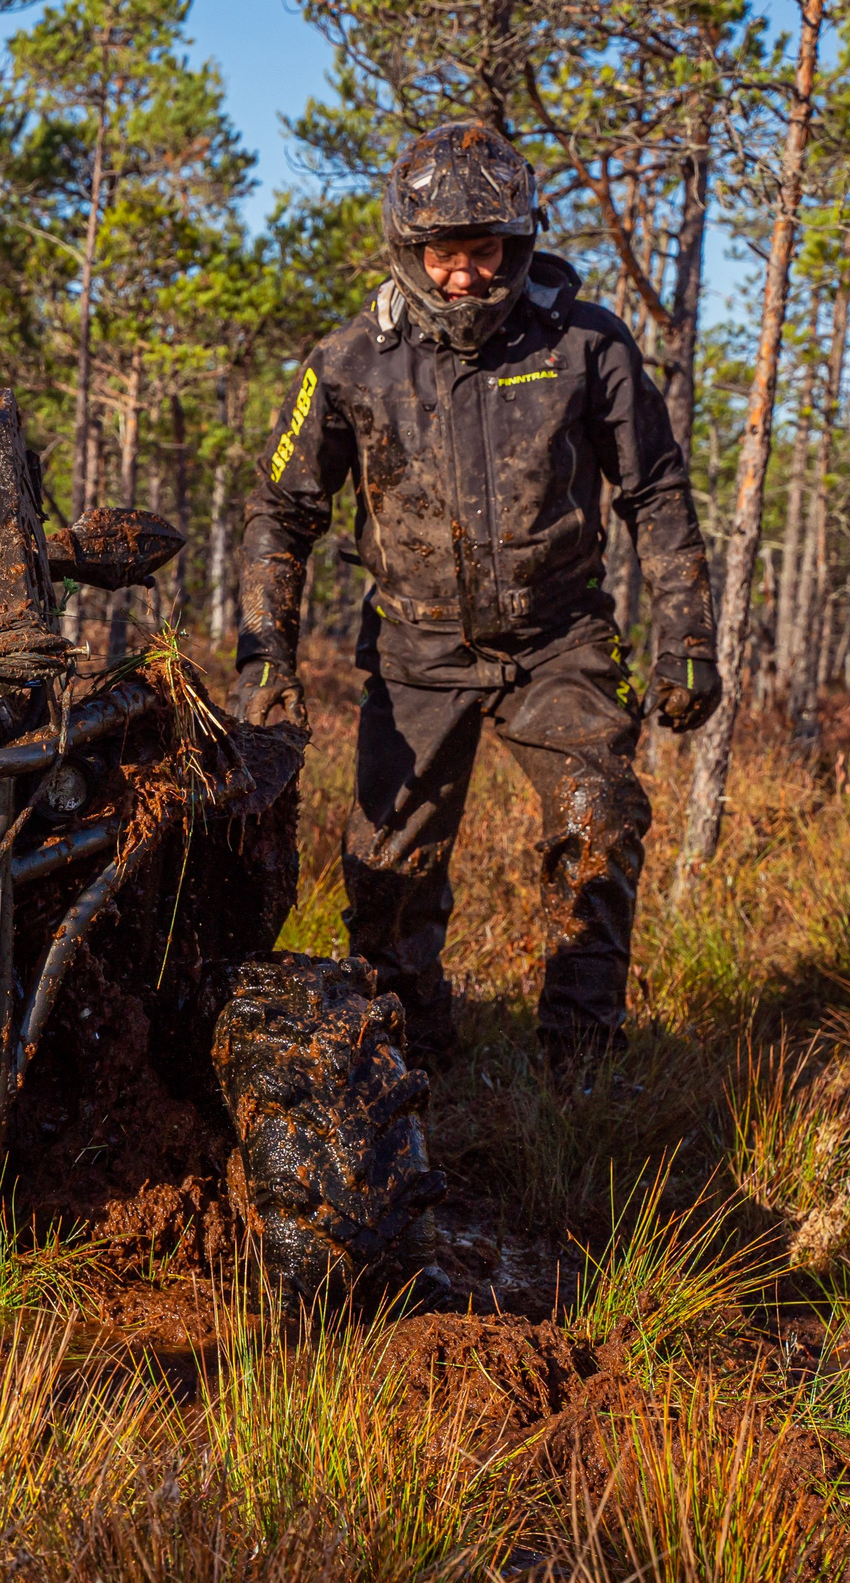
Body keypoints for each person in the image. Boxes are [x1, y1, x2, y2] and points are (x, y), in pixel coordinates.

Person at [227, 122, 719, 1074]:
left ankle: (579, 1067)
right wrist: (266, 661)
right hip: (415, 648)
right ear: (407, 249)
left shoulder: (588, 343)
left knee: (599, 819)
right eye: (443, 254)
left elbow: (656, 492)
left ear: (518, 242)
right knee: (385, 872)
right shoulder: (346, 360)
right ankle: (408, 1064)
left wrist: (687, 635)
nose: (463, 276)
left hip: (561, 640)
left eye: (483, 251)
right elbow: (280, 512)